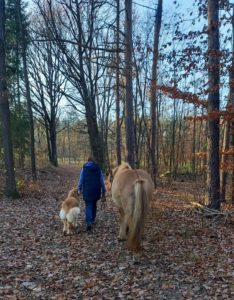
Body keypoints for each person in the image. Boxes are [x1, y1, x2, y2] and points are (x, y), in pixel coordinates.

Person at [78, 156, 106, 231]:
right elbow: (102, 181)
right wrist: (103, 190)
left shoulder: (84, 169)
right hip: (96, 190)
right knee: (94, 204)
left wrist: (79, 188)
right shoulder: (98, 168)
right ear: (94, 161)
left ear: (88, 161)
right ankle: (93, 219)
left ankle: (88, 222)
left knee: (88, 206)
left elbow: (81, 180)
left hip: (87, 190)